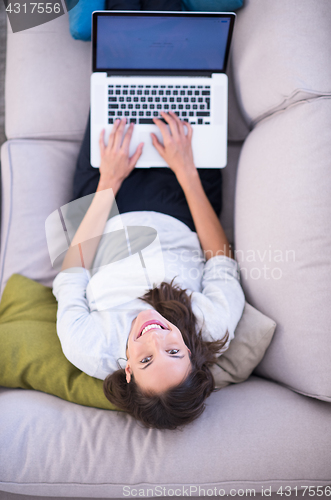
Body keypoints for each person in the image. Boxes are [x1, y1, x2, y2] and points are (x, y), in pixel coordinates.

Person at [53, 111, 245, 430]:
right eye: (173, 351)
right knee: (188, 88)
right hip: (183, 203)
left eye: (145, 360)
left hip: (105, 210)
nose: (155, 338)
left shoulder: (87, 345)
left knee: (116, 87)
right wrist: (186, 170)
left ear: (128, 371)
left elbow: (73, 270)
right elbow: (220, 261)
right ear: (190, 354)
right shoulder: (213, 326)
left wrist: (109, 181)